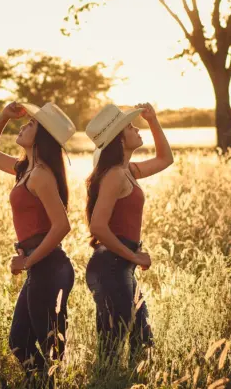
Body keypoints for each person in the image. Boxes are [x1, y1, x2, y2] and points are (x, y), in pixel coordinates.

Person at [0, 101, 77, 386]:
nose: (23, 126)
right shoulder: (25, 170)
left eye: (31, 124)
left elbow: (62, 226)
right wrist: (3, 116)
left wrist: (27, 261)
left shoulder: (41, 175)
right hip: (41, 266)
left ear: (42, 137)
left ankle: (49, 384)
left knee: (49, 348)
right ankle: (42, 384)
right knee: (19, 342)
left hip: (49, 266)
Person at [83, 102, 174, 362]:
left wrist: (153, 121)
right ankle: (107, 379)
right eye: (131, 127)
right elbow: (98, 226)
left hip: (120, 266)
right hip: (112, 266)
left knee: (141, 341)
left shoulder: (127, 171)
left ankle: (126, 379)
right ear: (120, 140)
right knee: (113, 346)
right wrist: (134, 256)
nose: (137, 129)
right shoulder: (115, 175)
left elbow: (165, 159)